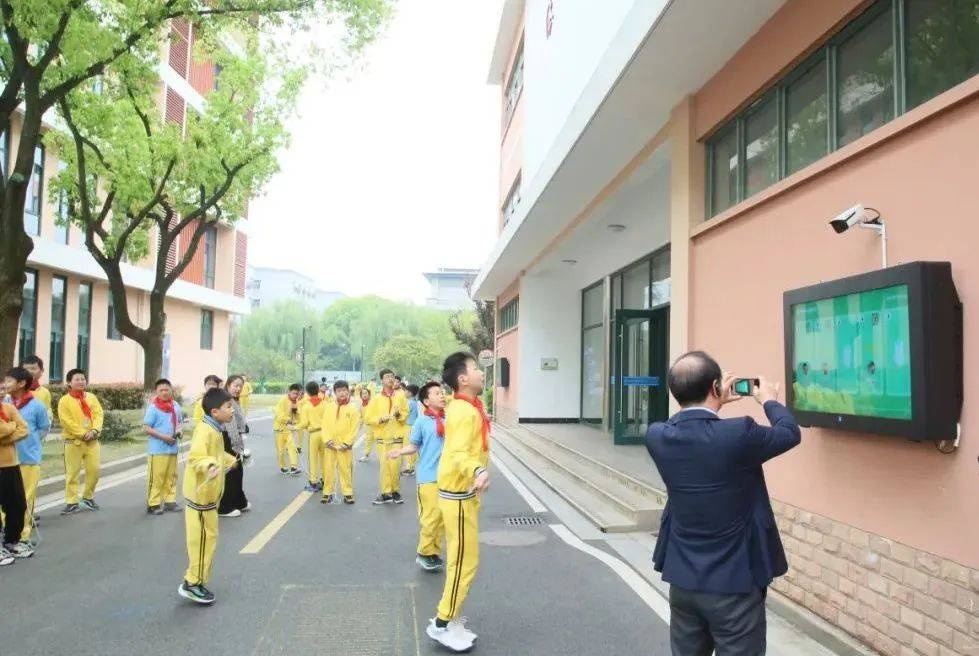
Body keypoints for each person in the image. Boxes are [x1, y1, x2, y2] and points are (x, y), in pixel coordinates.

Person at [645, 351, 801, 656]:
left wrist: (713, 403)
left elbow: (693, 429)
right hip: (735, 584)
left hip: (683, 579)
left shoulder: (657, 436)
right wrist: (768, 399)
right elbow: (788, 433)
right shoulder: (738, 433)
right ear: (717, 387)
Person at [426, 352, 488, 651]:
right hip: (458, 497)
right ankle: (441, 623)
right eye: (476, 369)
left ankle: (451, 618)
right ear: (463, 379)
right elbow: (460, 454)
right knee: (465, 562)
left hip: (461, 495)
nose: (482, 373)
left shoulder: (466, 407)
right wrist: (477, 469)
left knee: (460, 560)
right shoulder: (464, 411)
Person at [178, 387, 238, 605]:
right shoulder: (205, 431)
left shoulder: (214, 429)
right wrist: (210, 464)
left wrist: (230, 461)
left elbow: (215, 455)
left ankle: (197, 581)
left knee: (208, 540)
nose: (232, 410)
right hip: (201, 498)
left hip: (209, 499)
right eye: (228, 407)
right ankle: (192, 583)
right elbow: (196, 457)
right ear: (215, 411)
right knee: (202, 542)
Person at [387, 381, 446, 572]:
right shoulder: (421, 421)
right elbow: (414, 445)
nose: (442, 395)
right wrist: (400, 452)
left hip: (448, 478)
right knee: (430, 517)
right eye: (437, 393)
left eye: (442, 392)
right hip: (428, 476)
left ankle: (433, 552)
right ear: (427, 401)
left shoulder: (450, 420)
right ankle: (424, 553)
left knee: (442, 518)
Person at [4, 367, 49, 554]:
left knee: (25, 499)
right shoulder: (5, 403)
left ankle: (22, 537)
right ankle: (7, 536)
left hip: (29, 459)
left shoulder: (36, 404)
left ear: (21, 384)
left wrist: (32, 444)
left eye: (9, 381)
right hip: (7, 461)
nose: (5, 384)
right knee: (6, 500)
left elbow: (44, 427)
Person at [57, 369, 104, 515]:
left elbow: (98, 414)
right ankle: (71, 501)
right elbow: (66, 421)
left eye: (83, 379)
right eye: (77, 379)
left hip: (92, 441)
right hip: (73, 442)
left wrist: (95, 430)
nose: (81, 382)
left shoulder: (91, 398)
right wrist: (83, 434)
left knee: (94, 470)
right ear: (69, 382)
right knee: (72, 473)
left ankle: (88, 497)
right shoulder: (64, 400)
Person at [365, 369, 408, 505]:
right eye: (387, 377)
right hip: (382, 438)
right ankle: (385, 493)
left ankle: (395, 491)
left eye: (392, 377)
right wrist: (380, 419)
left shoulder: (400, 396)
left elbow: (405, 414)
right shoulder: (376, 399)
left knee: (395, 465)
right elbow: (368, 418)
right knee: (384, 466)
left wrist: (398, 415)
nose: (390, 379)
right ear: (382, 380)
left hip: (396, 437)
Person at [0, 375, 31, 563]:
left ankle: (12, 541)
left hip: (11, 464)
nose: (1, 392)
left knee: (18, 504)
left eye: (2, 389)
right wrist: (10, 427)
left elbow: (24, 428)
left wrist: (5, 434)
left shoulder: (9, 408)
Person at [143, 378, 184, 516]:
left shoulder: (176, 406)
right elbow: (146, 428)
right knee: (157, 477)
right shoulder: (153, 408)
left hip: (172, 448)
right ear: (157, 392)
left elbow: (179, 423)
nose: (165, 392)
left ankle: (169, 501)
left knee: (172, 476)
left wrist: (179, 431)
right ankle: (153, 504)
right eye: (161, 390)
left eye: (167, 389)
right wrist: (164, 437)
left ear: (171, 390)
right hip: (158, 449)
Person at [320, 380, 359, 505]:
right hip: (330, 445)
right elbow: (324, 425)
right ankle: (327, 492)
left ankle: (347, 493)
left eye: (344, 390)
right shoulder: (329, 407)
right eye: (339, 391)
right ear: (335, 393)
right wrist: (326, 440)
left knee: (345, 469)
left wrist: (347, 443)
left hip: (344, 447)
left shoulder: (352, 409)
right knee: (328, 469)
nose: (341, 393)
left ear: (348, 391)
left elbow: (354, 428)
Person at [218, 375, 250, 517]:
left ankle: (239, 501)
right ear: (228, 384)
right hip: (228, 439)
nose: (238, 389)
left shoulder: (233, 399)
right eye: (235, 385)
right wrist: (237, 446)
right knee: (230, 473)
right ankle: (224, 507)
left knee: (237, 472)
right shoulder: (226, 401)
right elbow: (230, 424)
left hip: (234, 439)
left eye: (240, 386)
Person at [299, 381, 327, 493]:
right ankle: (325, 481)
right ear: (318, 390)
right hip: (325, 434)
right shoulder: (325, 404)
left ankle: (314, 482)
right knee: (324, 459)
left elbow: (304, 423)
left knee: (313, 459)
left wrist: (294, 427)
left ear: (307, 392)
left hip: (314, 434)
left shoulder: (306, 406)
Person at [272, 384, 302, 476]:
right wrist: (289, 420)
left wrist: (296, 412)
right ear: (289, 392)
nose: (295, 395)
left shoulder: (296, 402)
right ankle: (283, 467)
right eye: (294, 393)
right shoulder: (283, 400)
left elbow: (298, 417)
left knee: (292, 447)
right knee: (280, 451)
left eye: (297, 394)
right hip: (279, 429)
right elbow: (279, 414)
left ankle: (294, 467)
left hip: (289, 430)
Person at [402, 384, 420, 476]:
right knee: (411, 446)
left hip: (409, 427)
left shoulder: (409, 403)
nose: (404, 392)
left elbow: (403, 415)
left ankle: (410, 468)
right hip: (412, 426)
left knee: (409, 447)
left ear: (409, 393)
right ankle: (410, 467)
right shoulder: (415, 402)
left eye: (406, 391)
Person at [357, 387, 374, 462]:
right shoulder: (361, 406)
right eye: (363, 393)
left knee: (381, 441)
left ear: (369, 395)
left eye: (366, 393)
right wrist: (358, 428)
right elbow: (360, 418)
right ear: (360, 396)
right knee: (368, 441)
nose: (364, 395)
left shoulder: (373, 403)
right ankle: (366, 455)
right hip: (368, 426)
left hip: (377, 425)